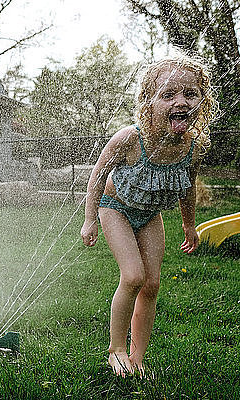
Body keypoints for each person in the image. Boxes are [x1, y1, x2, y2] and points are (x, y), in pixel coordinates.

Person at [80, 55, 218, 377]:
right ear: (148, 102)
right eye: (168, 95)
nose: (180, 102)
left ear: (202, 100)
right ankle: (115, 349)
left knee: (152, 283)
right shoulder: (130, 138)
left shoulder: (192, 148)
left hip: (150, 216)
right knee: (133, 276)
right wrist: (89, 219)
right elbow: (98, 176)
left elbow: (187, 188)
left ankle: (137, 359)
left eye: (190, 94)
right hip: (115, 209)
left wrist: (188, 223)